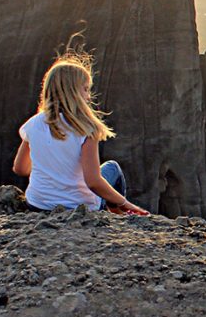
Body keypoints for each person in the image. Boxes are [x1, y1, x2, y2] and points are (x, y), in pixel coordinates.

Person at [12, 46, 149, 215]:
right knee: (113, 169)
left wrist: (52, 169)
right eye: (85, 89)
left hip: (37, 204)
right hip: (78, 207)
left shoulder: (32, 124)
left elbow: (20, 168)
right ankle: (117, 214)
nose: (88, 96)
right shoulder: (85, 128)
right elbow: (93, 181)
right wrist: (127, 204)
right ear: (72, 92)